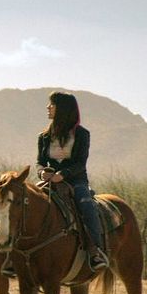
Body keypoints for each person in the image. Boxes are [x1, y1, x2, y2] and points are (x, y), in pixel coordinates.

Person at [36, 91, 108, 271]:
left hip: (75, 181)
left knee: (86, 205)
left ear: (62, 109)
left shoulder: (82, 134)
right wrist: (42, 172)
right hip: (50, 182)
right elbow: (39, 162)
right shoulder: (43, 136)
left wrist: (63, 174)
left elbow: (80, 163)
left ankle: (95, 251)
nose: (48, 107)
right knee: (25, 202)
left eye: (51, 104)